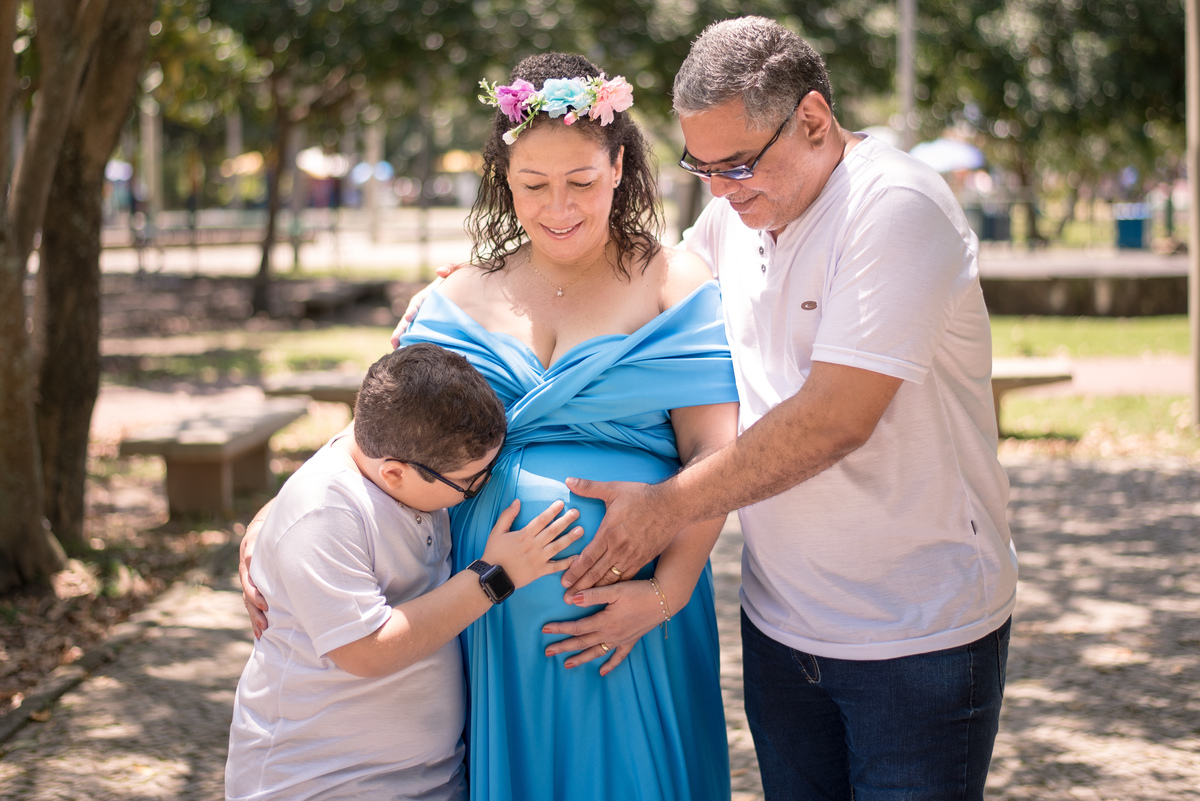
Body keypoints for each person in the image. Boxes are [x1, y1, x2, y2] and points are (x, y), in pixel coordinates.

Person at [244, 53, 739, 801]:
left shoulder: (676, 284)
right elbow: (387, 430)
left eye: (580, 181)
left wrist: (663, 593)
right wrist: (276, 518)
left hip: (632, 614)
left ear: (618, 168)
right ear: (505, 181)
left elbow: (717, 456)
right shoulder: (457, 297)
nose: (558, 207)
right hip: (491, 623)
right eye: (533, 185)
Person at [553, 17, 1018, 800]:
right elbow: (642, 286)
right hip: (780, 630)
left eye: (738, 164)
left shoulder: (895, 207)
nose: (724, 190)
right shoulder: (737, 213)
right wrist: (486, 290)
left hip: (919, 637)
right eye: (703, 169)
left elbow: (835, 417)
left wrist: (663, 509)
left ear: (812, 119)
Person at [226, 344, 583, 800]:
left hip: (429, 777)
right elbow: (368, 651)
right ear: (393, 473)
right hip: (321, 781)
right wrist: (496, 575)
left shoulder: (404, 456)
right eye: (471, 481)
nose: (482, 486)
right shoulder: (325, 513)